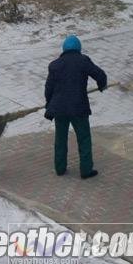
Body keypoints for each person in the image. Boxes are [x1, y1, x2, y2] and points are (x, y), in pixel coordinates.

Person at [44, 35, 107, 179]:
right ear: (78, 48)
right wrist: (101, 85)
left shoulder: (55, 65)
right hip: (79, 108)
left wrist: (49, 104)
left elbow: (48, 88)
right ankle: (86, 170)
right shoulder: (83, 61)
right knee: (84, 138)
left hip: (60, 109)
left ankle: (60, 168)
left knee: (60, 138)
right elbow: (100, 75)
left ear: (64, 49)